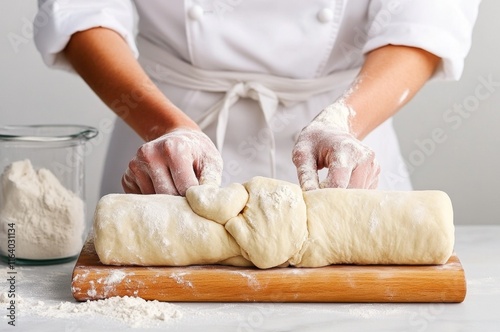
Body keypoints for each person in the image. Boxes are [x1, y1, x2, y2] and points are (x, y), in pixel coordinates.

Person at [34, 0, 480, 196]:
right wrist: (165, 125)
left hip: (344, 149)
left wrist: (342, 122)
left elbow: (427, 19)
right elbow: (81, 9)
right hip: (163, 151)